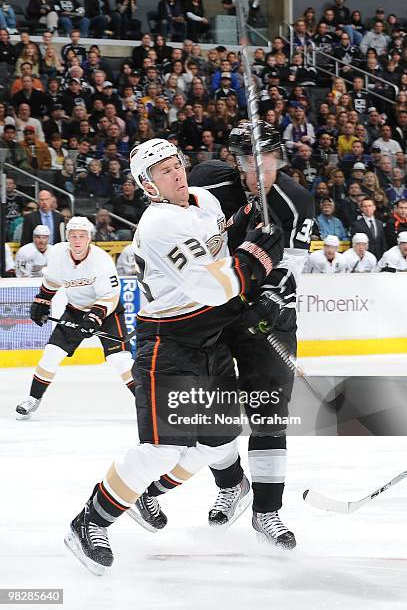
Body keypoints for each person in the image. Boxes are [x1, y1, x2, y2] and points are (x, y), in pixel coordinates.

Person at [65, 138, 284, 573]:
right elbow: (215, 286)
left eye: (176, 164)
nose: (177, 173)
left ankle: (145, 493)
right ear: (148, 186)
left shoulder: (201, 200)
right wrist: (258, 253)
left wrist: (249, 213)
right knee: (162, 450)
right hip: (169, 343)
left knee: (219, 439)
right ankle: (89, 520)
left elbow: (222, 238)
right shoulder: (161, 224)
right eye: (163, 171)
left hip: (210, 336)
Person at [137, 123, 315, 548]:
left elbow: (292, 267)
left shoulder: (296, 201)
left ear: (279, 159)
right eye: (248, 163)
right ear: (236, 163)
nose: (258, 172)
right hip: (210, 313)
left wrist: (270, 298)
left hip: (265, 320)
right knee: (209, 414)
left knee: (268, 412)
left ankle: (267, 513)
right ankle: (231, 484)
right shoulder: (207, 180)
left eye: (267, 162)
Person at [16, 216, 136, 420]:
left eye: (82, 236)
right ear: (67, 237)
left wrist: (94, 318)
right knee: (51, 353)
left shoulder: (101, 260)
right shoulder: (58, 255)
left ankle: (146, 401)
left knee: (120, 360)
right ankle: (32, 399)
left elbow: (110, 297)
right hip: (75, 311)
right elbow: (52, 281)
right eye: (73, 236)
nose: (77, 241)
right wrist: (42, 301)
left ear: (89, 237)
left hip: (107, 313)